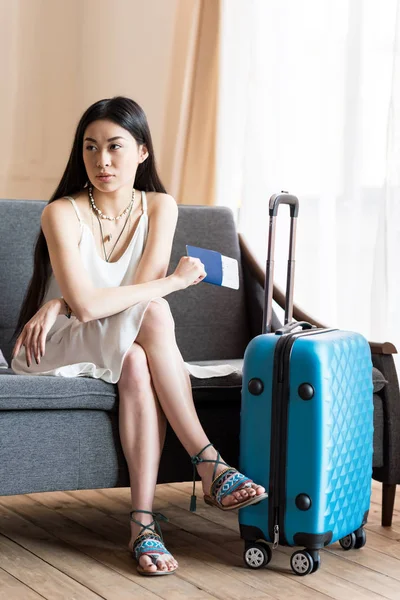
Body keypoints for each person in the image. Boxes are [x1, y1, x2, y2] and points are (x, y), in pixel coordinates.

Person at [11, 96, 267, 576]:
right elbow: (95, 305)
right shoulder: (60, 213)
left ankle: (142, 525)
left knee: (136, 355)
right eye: (90, 148)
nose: (101, 161)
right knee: (156, 310)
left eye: (114, 146)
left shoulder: (159, 206)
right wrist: (169, 281)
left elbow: (136, 294)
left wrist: (66, 298)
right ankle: (209, 463)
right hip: (55, 345)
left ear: (142, 152)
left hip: (119, 335)